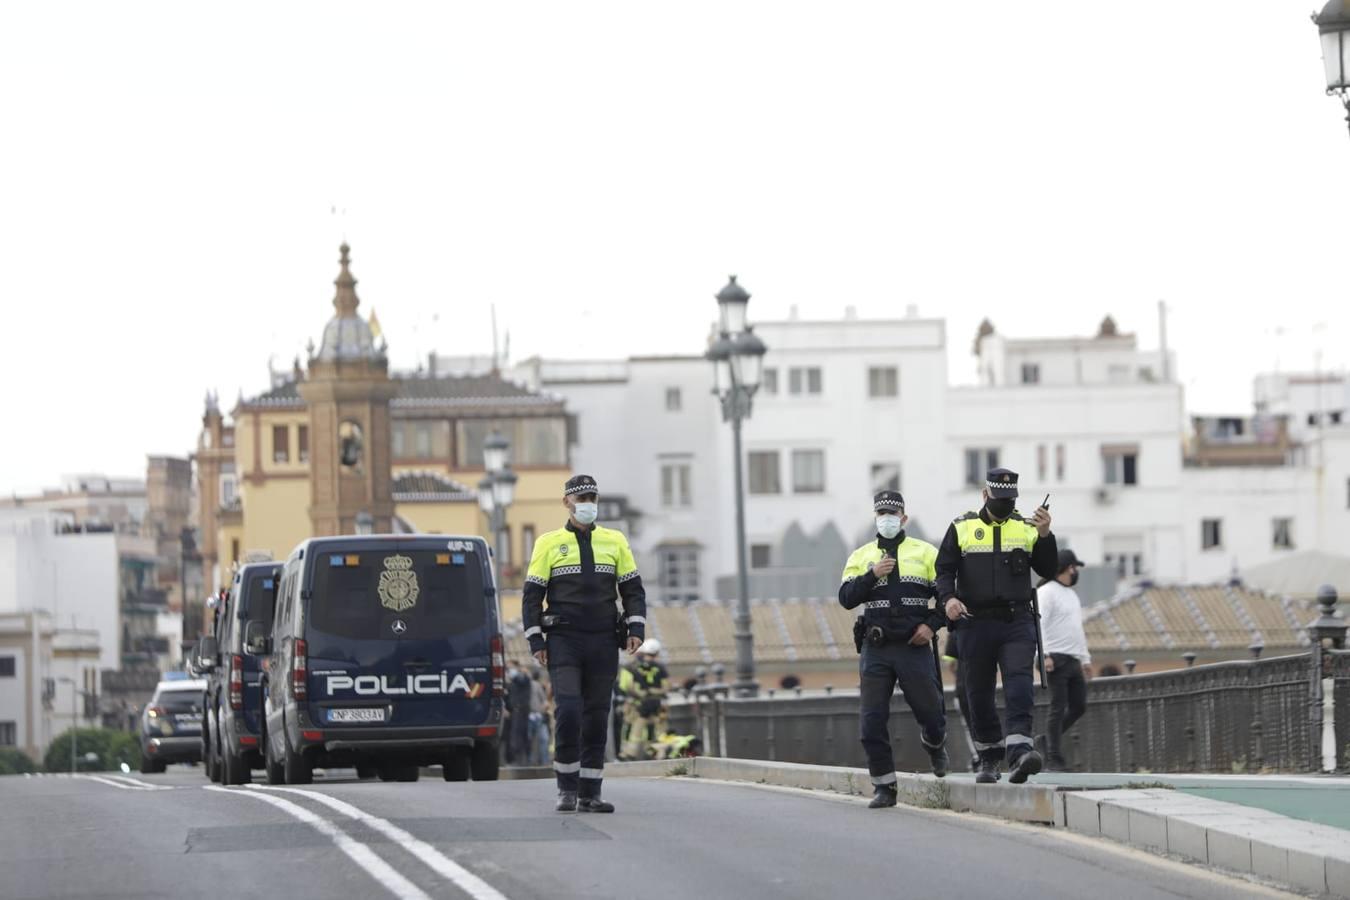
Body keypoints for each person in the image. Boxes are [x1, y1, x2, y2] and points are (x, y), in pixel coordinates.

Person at [523, 474, 647, 813]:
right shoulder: (547, 543)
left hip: (604, 640)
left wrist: (636, 627)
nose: (587, 504)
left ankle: (590, 792)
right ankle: (566, 787)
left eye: (591, 498)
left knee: (596, 716)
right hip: (564, 640)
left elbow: (632, 590)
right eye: (580, 499)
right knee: (569, 710)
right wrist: (536, 639)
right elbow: (532, 597)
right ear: (566, 502)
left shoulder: (615, 540)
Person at [936, 467, 1059, 784]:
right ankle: (989, 757)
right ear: (985, 495)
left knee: (1019, 684)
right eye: (999, 498)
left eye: (1009, 499)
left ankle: (1020, 754)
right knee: (978, 693)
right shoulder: (962, 527)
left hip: (1016, 621)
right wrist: (948, 599)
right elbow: (944, 570)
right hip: (973, 623)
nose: (1004, 504)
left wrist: (1045, 536)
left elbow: (1048, 568)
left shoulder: (1026, 527)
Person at [839, 490, 949, 808]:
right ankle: (884, 787)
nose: (887, 520)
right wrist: (872, 575)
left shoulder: (926, 553)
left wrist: (932, 625)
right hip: (877, 647)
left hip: (914, 646)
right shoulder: (861, 556)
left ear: (903, 519)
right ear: (876, 518)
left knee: (930, 710)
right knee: (871, 721)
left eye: (892, 514)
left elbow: (946, 595)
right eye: (881, 514)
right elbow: (846, 598)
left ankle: (935, 741)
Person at [1038, 548, 1091, 771]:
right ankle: (1053, 758)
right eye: (1074, 567)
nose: (1075, 571)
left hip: (1072, 659)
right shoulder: (1047, 592)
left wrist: (1085, 659)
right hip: (1054, 658)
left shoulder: (1071, 595)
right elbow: (1037, 625)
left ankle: (1046, 740)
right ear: (1066, 568)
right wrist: (1044, 656)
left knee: (1079, 706)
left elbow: (1076, 629)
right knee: (1057, 706)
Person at [621, 639, 669, 760]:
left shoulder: (634, 667)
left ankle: (630, 753)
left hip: (641, 703)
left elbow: (628, 686)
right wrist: (655, 691)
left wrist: (641, 694)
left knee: (636, 730)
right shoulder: (660, 668)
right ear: (657, 652)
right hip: (657, 702)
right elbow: (666, 687)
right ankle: (658, 753)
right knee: (659, 730)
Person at [506, 660, 532, 765]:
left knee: (519, 735)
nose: (509, 670)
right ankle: (516, 758)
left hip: (521, 709)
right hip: (514, 710)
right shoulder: (512, 681)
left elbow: (522, 680)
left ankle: (521, 759)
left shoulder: (522, 677)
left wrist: (516, 674)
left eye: (510, 667)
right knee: (516, 735)